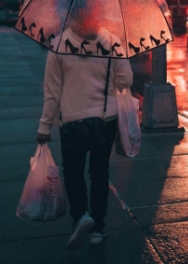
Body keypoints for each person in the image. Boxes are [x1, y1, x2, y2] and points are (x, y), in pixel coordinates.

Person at [36, 50, 133, 249]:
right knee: (99, 172)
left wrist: (45, 126)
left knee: (73, 171)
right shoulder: (112, 41)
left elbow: (52, 91)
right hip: (105, 119)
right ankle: (98, 228)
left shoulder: (59, 44)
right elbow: (126, 80)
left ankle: (80, 215)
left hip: (72, 120)